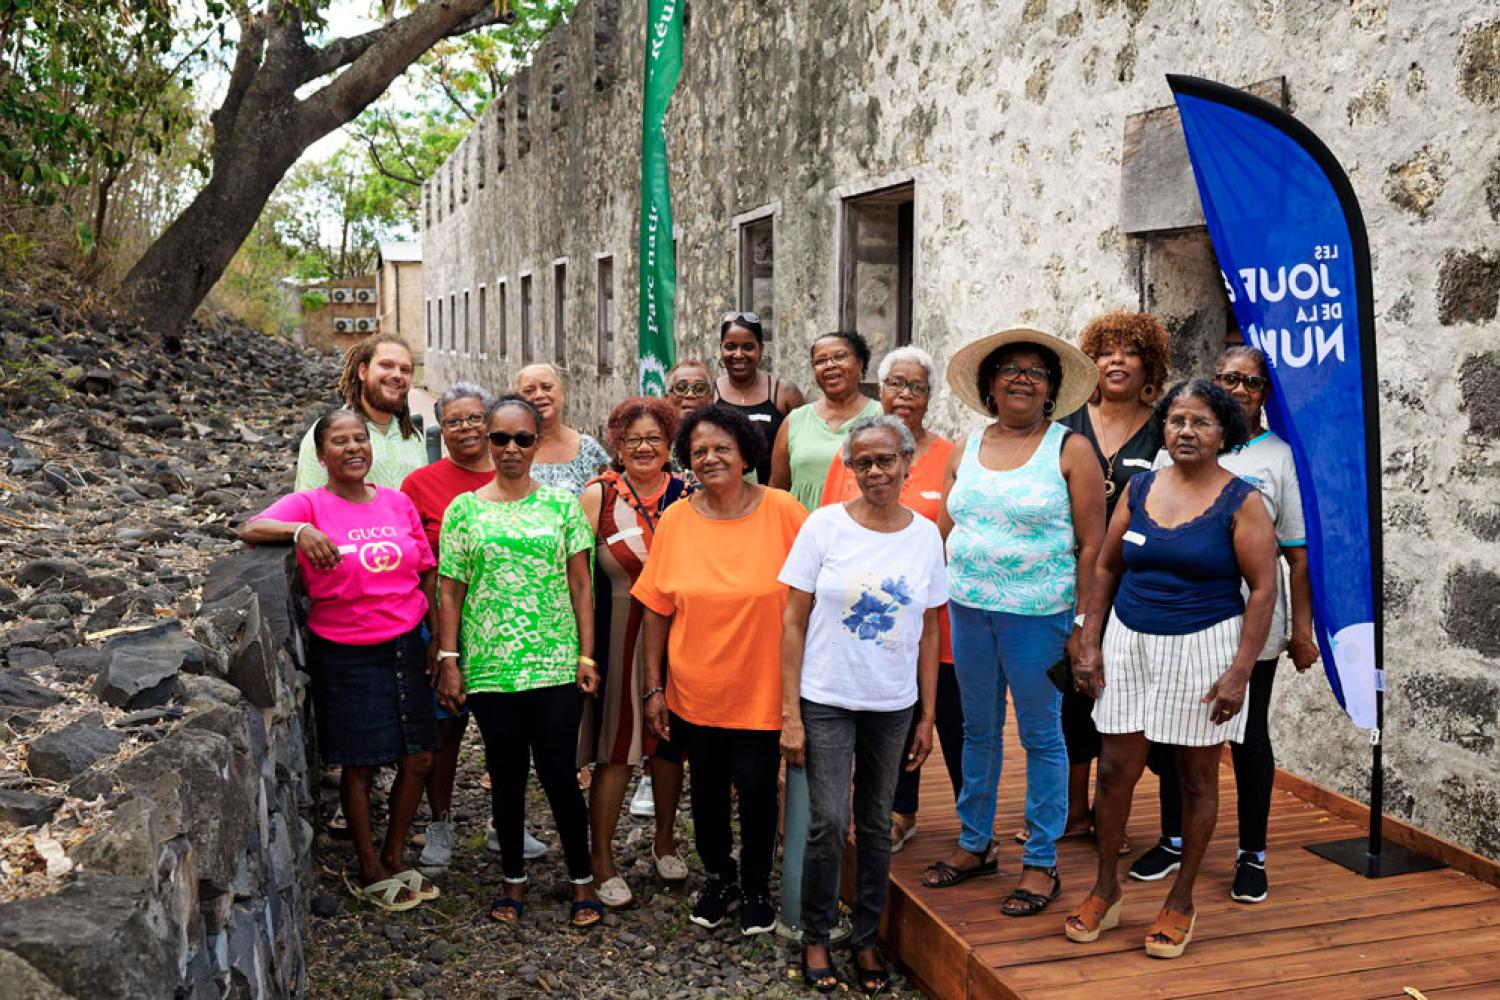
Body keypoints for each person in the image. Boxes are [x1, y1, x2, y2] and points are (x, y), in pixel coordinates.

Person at [1064, 380, 1276, 959]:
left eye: (1201, 422)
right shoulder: (1140, 487)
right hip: (1130, 641)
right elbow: (1106, 567)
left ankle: (1181, 901)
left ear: (1224, 433)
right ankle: (1106, 890)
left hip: (1205, 646)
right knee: (1113, 771)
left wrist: (1240, 674)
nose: (1186, 431)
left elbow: (1262, 590)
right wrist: (1089, 637)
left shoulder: (1243, 500)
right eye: (1177, 420)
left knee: (1195, 778)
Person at [922, 327, 1105, 921]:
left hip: (1040, 617)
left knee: (1041, 735)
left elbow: (1093, 545)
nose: (1022, 378)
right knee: (977, 730)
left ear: (1051, 389)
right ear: (989, 384)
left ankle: (1042, 858)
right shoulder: (965, 448)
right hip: (968, 611)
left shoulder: (1069, 449)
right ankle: (976, 842)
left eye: (1036, 371)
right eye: (1010, 369)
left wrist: (1084, 624)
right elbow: (942, 534)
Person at [1132, 347, 1319, 903]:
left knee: (1247, 738)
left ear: (1266, 394)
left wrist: (1301, 631)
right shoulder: (1179, 450)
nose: (1240, 389)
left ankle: (1251, 853)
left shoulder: (1280, 457)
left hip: (1250, 625)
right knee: (1172, 731)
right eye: (1229, 379)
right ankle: (1172, 839)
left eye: (1253, 383)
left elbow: (1297, 555)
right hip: (1180, 617)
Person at [242, 409, 439, 912]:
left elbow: (426, 572)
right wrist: (297, 532)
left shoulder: (396, 503)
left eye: (360, 440)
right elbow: (250, 527)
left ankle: (396, 855)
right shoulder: (310, 503)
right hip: (347, 651)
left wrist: (439, 639)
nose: (353, 449)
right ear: (322, 453)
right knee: (361, 762)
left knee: (418, 756)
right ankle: (368, 866)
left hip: (406, 642)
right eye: (340, 441)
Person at [781, 416, 947, 993]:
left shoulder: (925, 535)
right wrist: (789, 714)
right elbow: (793, 622)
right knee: (828, 822)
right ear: (849, 469)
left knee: (876, 825)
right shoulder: (823, 527)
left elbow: (929, 629)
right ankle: (817, 934)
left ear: (907, 463)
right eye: (863, 463)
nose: (875, 471)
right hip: (826, 696)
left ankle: (867, 939)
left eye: (886, 460)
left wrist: (926, 714)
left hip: (893, 703)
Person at [633, 405, 808, 936]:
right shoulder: (678, 520)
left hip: (762, 688)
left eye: (722, 449)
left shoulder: (783, 511)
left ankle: (755, 884)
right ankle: (719, 876)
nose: (710, 458)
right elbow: (655, 610)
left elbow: (814, 595)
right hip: (695, 690)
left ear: (746, 455)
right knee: (706, 795)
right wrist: (653, 688)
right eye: (700, 451)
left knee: (757, 791)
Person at [434, 394, 604, 928]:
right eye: (500, 438)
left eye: (522, 439)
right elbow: (450, 593)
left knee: (559, 774)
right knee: (505, 775)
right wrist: (449, 659)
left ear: (537, 443)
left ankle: (582, 880)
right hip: (491, 668)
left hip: (553, 663)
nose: (511, 449)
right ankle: (512, 880)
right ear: (487, 441)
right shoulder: (464, 510)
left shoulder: (560, 506)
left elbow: (582, 583)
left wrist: (586, 654)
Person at [816, 347, 961, 853]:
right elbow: (837, 517)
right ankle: (901, 810)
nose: (905, 395)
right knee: (892, 716)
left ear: (928, 396)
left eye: (916, 387)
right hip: (871, 613)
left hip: (933, 611)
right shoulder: (859, 451)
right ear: (882, 391)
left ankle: (974, 822)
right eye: (896, 384)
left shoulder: (950, 455)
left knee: (949, 717)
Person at [1048, 311, 1171, 847]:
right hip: (1063, 576)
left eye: (1129, 351)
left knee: (1120, 699)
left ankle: (1109, 814)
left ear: (1149, 364)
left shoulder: (1164, 426)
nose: (1116, 360)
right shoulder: (1065, 422)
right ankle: (1073, 813)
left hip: (1131, 584)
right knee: (1071, 698)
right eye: (1105, 352)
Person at [579, 397, 692, 908]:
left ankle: (664, 839)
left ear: (669, 444)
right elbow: (575, 578)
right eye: (633, 439)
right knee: (617, 749)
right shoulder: (598, 496)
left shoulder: (689, 492)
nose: (644, 447)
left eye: (654, 438)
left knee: (669, 748)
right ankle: (600, 857)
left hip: (685, 636)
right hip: (618, 635)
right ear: (617, 446)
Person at [397, 383, 493, 869]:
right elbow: (417, 565)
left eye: (475, 418)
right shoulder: (421, 485)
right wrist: (437, 638)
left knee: (506, 729)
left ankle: (506, 822)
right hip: (442, 625)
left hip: (506, 626)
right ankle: (440, 821)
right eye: (454, 421)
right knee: (445, 728)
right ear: (441, 428)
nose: (466, 429)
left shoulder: (513, 472)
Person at [296, 333, 427, 490]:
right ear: (363, 371)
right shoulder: (327, 434)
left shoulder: (414, 438)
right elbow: (308, 502)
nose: (397, 375)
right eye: (386, 365)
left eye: (405, 370)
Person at [771, 330, 882, 511]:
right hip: (801, 530)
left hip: (862, 528)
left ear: (860, 364)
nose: (830, 365)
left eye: (840, 356)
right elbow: (777, 490)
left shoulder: (883, 418)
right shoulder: (795, 421)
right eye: (820, 361)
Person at [715, 312, 804, 484]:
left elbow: (802, 451)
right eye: (730, 347)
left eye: (748, 347)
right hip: (721, 502)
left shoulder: (785, 394)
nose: (739, 354)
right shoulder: (711, 394)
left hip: (774, 499)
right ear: (721, 349)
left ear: (760, 349)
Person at [515, 362, 610, 496]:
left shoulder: (587, 450)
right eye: (529, 391)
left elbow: (608, 502)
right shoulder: (505, 446)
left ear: (562, 394)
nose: (539, 395)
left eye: (547, 387)